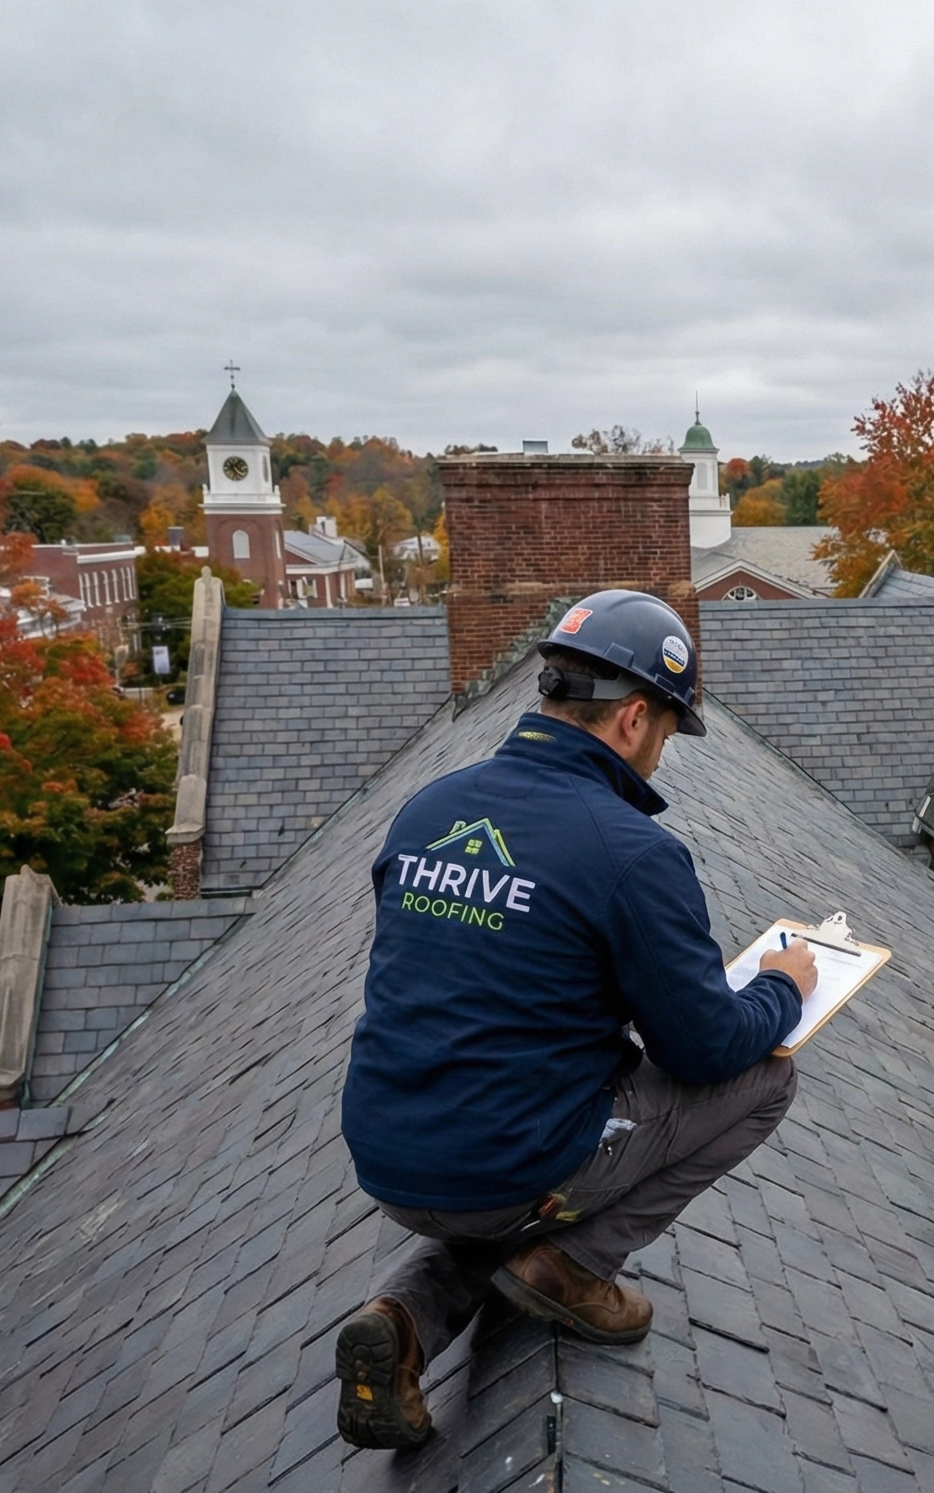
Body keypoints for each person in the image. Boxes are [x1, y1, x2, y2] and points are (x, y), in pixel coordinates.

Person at [332, 589, 817, 1449]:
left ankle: (400, 1324)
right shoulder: (631, 851)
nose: (661, 756)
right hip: (508, 1167)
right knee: (766, 1078)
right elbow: (703, 1050)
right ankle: (576, 1265)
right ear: (634, 718)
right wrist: (780, 985)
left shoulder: (431, 808)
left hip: (389, 1153)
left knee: (505, 1176)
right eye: (667, 734)